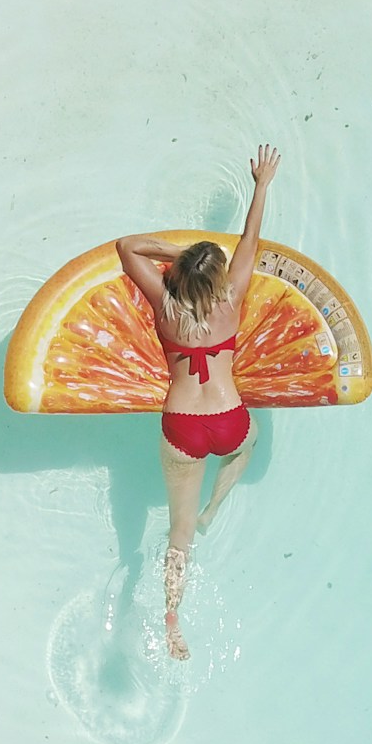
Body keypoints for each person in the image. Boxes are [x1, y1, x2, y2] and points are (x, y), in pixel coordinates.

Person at [118, 145, 280, 660]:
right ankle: (216, 506)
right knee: (246, 445)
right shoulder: (231, 301)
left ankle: (172, 618)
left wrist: (175, 258)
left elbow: (127, 247)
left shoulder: (166, 305)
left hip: (183, 428)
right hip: (229, 420)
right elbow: (250, 240)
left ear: (179, 275)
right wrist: (261, 184)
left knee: (177, 531)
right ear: (216, 280)